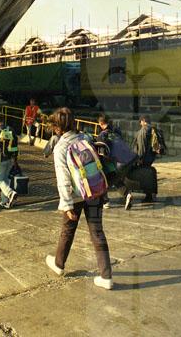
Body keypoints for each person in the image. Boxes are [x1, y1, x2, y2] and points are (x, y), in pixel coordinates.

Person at [44, 107, 113, 290]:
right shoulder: (86, 138)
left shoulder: (61, 147)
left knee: (67, 230)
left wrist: (66, 205)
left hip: (75, 196)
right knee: (97, 232)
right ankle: (106, 276)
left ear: (57, 127)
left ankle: (59, 264)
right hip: (93, 191)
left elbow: (63, 179)